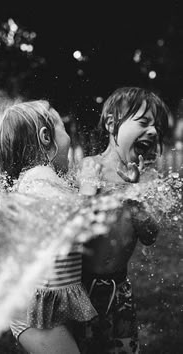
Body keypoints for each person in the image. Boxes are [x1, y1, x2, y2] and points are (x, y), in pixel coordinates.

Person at [0, 99, 106, 354]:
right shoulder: (39, 177)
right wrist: (88, 188)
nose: (69, 137)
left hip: (44, 305)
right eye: (63, 129)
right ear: (46, 137)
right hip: (35, 312)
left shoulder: (40, 181)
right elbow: (75, 224)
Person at [77, 86, 170, 353]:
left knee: (124, 349)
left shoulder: (146, 177)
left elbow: (150, 236)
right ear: (110, 123)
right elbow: (79, 227)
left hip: (120, 289)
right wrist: (88, 191)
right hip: (83, 287)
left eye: (156, 127)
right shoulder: (90, 167)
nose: (152, 131)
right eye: (143, 123)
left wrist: (133, 194)